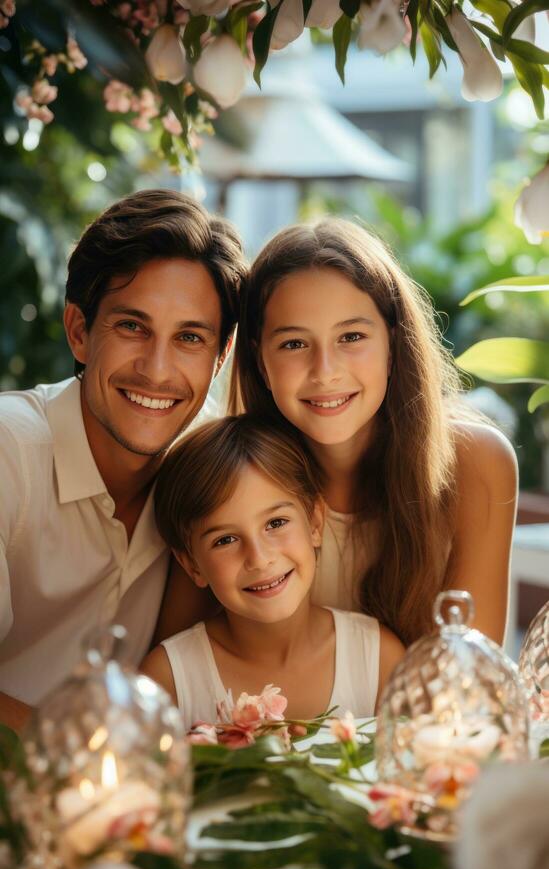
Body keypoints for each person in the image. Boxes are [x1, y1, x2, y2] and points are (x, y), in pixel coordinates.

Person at [0, 189, 247, 729]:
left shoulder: (213, 474)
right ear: (80, 332)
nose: (157, 371)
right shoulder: (8, 454)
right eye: (133, 327)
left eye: (188, 338)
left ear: (221, 355)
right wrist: (95, 762)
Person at [231, 218, 518, 647]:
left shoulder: (476, 462)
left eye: (351, 336)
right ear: (260, 362)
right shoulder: (229, 476)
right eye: (294, 343)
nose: (325, 372)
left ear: (392, 344)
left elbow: (470, 679)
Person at [141, 415, 404, 725]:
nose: (259, 558)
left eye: (276, 523)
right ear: (192, 565)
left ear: (315, 523)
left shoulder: (377, 658)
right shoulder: (166, 681)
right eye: (225, 540)